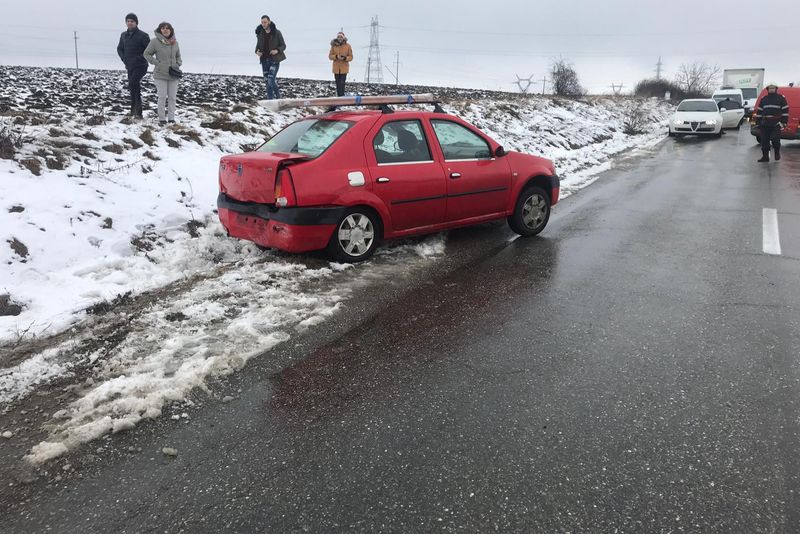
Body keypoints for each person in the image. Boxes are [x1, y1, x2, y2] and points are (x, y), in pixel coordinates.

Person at [144, 22, 183, 125]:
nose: (165, 30)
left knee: (172, 97)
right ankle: (162, 119)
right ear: (160, 30)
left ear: (171, 30)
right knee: (162, 97)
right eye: (163, 28)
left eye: (167, 28)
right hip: (160, 74)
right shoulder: (155, 41)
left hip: (173, 74)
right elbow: (146, 54)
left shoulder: (175, 42)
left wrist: (178, 63)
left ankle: (171, 118)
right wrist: (157, 63)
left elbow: (178, 56)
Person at [116, 13, 150, 118]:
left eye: (132, 21)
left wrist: (137, 59)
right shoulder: (123, 35)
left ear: (136, 23)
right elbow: (119, 48)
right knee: (133, 87)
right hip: (129, 66)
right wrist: (124, 58)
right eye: (128, 21)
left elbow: (148, 51)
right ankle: (135, 111)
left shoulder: (143, 35)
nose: (130, 23)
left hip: (141, 66)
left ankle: (137, 112)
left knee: (133, 83)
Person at [753, 83, 789, 162]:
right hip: (765, 123)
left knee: (775, 140)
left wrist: (784, 122)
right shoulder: (764, 99)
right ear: (767, 89)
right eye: (770, 88)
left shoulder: (781, 98)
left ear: (776, 89)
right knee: (764, 141)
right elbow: (759, 111)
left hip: (776, 123)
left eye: (773, 88)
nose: (771, 89)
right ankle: (765, 157)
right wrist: (758, 123)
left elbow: (785, 111)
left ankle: (777, 152)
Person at [255, 15, 286, 100]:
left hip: (274, 60)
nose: (263, 24)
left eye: (265, 22)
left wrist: (277, 50)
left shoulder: (277, 33)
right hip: (264, 60)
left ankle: (278, 97)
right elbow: (257, 47)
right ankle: (270, 100)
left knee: (271, 79)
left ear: (269, 22)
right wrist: (257, 52)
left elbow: (283, 46)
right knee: (267, 82)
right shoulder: (260, 33)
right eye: (262, 22)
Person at [328, 31, 353, 97]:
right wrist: (336, 56)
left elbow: (351, 57)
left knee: (342, 83)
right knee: (338, 83)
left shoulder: (348, 46)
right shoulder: (333, 46)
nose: (339, 38)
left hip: (344, 68)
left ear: (343, 38)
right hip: (336, 68)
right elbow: (330, 56)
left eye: (341, 37)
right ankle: (339, 97)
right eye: (338, 37)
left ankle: (342, 96)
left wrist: (345, 58)